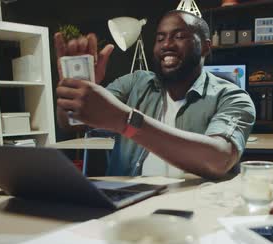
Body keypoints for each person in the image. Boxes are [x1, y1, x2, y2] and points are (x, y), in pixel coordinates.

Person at [55, 10, 255, 179]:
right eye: (160, 38)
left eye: (178, 36)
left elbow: (219, 159)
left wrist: (127, 122)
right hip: (128, 206)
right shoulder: (135, 83)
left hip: (194, 210)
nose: (166, 44)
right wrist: (75, 87)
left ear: (205, 46)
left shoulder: (233, 97)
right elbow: (74, 123)